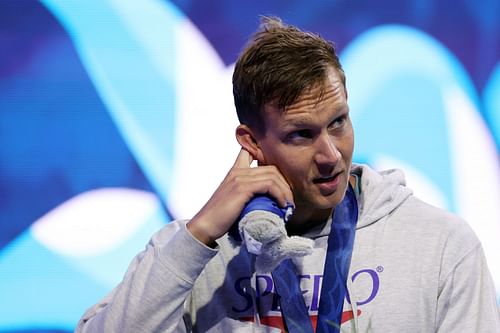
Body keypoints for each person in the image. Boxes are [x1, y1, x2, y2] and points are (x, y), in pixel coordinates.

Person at [76, 16, 500, 332]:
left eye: (338, 122)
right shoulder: (194, 258)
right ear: (252, 142)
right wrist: (201, 232)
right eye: (302, 135)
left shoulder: (440, 244)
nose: (331, 154)